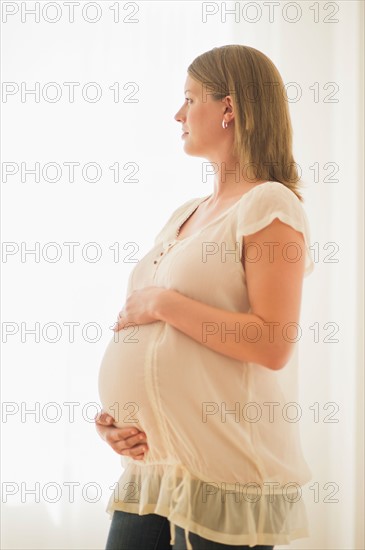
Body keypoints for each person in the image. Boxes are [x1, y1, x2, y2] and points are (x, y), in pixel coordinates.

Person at [95, 44, 315, 550]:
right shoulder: (185, 213)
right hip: (153, 470)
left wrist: (161, 305)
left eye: (189, 98)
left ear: (229, 108)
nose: (178, 113)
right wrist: (118, 422)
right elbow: (152, 347)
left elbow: (272, 342)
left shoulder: (270, 202)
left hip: (224, 477)